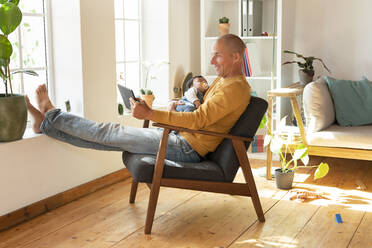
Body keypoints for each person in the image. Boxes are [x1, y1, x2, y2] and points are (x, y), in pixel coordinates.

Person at [26, 34, 251, 163]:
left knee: (110, 132)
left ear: (235, 56)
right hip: (178, 137)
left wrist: (151, 113)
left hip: (186, 147)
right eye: (212, 54)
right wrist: (176, 106)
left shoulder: (235, 88)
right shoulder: (225, 81)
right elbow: (202, 113)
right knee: (105, 140)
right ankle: (46, 124)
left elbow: (200, 120)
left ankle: (51, 114)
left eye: (217, 55)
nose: (212, 61)